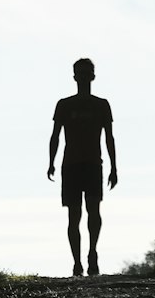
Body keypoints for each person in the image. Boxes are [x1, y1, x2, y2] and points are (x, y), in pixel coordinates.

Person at [48, 57, 117, 276]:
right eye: (81, 73)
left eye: (87, 73)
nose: (84, 77)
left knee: (93, 210)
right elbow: (55, 136)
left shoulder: (102, 105)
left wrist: (114, 167)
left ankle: (92, 253)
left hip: (93, 164)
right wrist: (50, 162)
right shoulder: (64, 105)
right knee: (74, 214)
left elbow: (109, 138)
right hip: (71, 165)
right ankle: (77, 262)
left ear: (92, 77)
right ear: (75, 77)